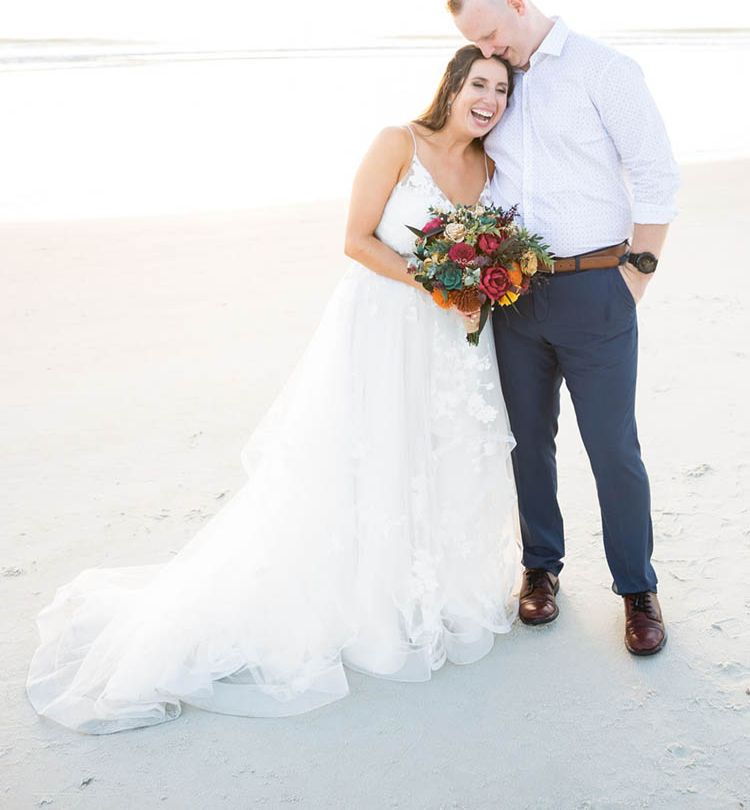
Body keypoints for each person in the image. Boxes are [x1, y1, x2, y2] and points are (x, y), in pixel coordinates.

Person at [26, 47, 521, 734]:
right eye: (480, 84)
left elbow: (490, 253)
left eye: (501, 89)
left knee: (438, 457)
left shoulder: (490, 167)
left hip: (448, 341)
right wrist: (434, 282)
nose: (490, 98)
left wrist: (474, 294)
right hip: (382, 324)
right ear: (453, 85)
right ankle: (369, 605)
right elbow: (354, 239)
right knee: (368, 457)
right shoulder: (396, 142)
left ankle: (426, 593)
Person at [447, 0, 680, 656]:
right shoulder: (497, 82)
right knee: (527, 444)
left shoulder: (603, 69)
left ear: (517, 3)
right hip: (515, 293)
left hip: (599, 288)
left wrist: (633, 278)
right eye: (475, 44)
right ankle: (540, 568)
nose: (487, 53)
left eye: (490, 33)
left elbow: (656, 173)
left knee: (613, 448)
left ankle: (637, 587)